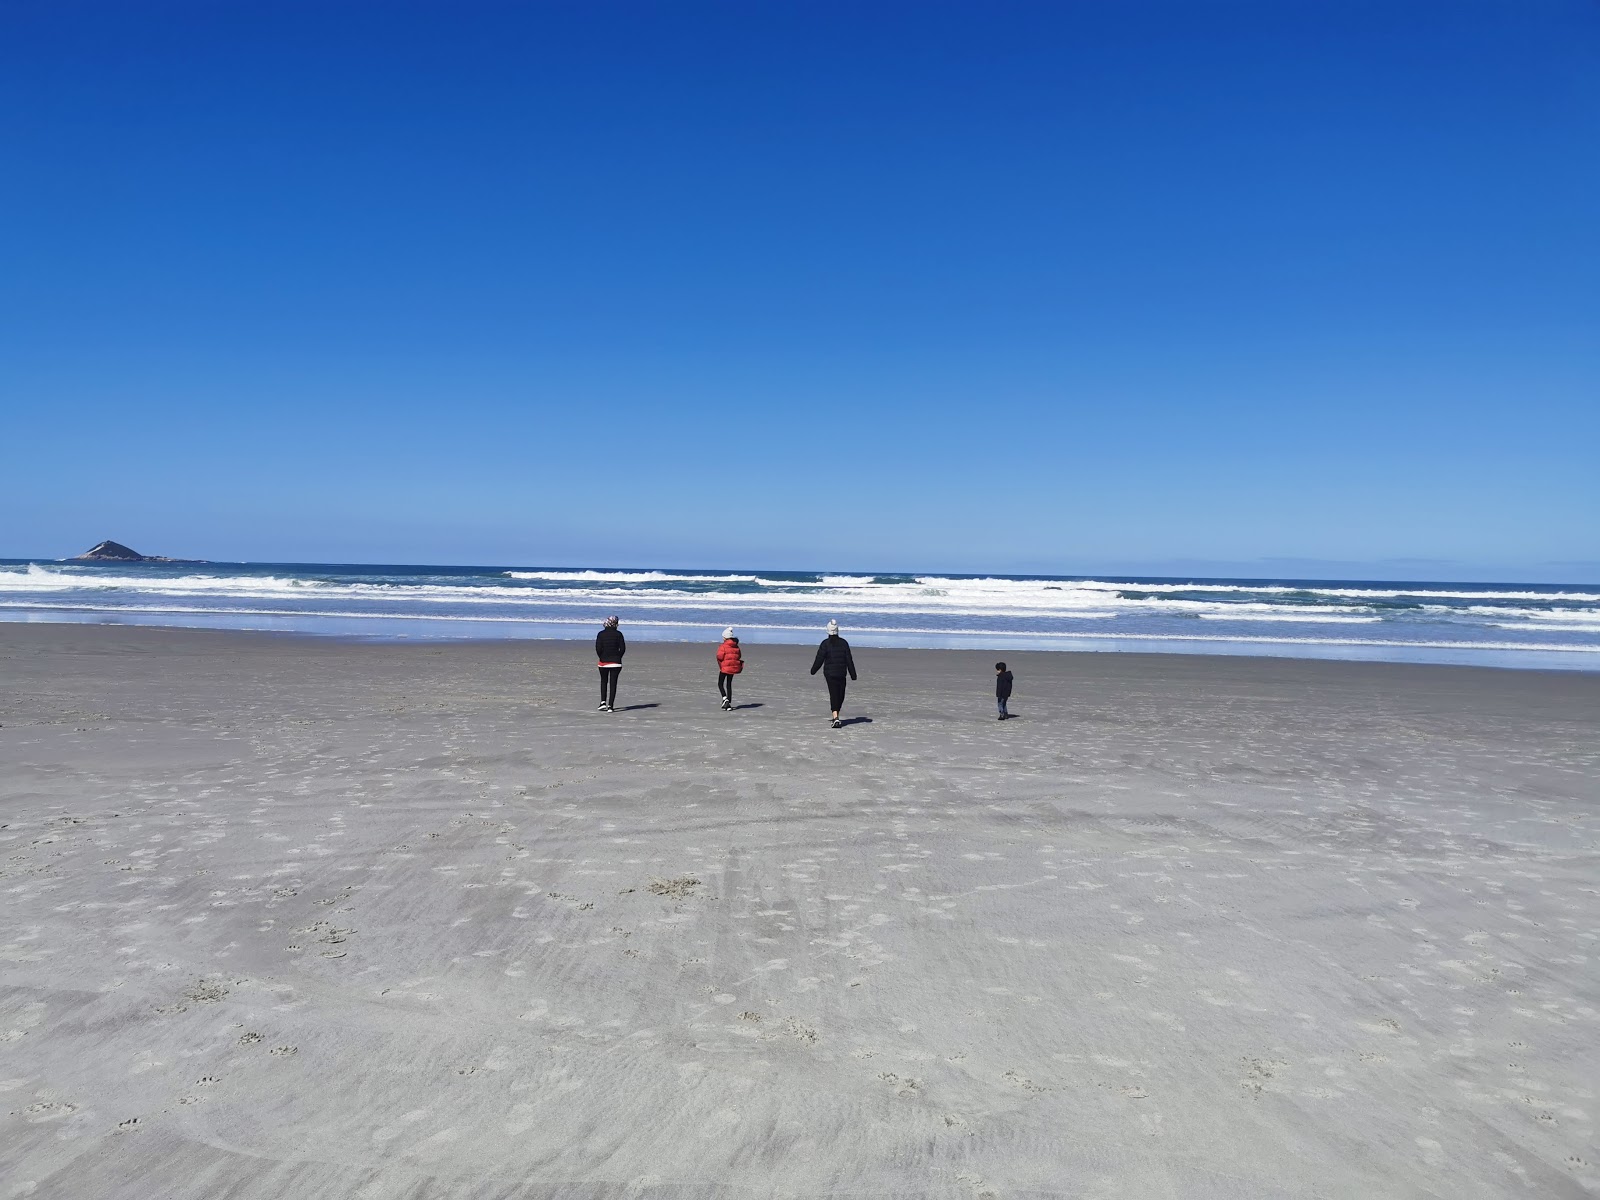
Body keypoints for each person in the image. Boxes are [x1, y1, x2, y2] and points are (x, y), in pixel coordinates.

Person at [809, 619, 857, 728]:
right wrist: (813, 670)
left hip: (837, 673)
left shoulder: (836, 643)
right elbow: (820, 659)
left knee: (840, 695)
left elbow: (849, 659)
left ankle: (836, 715)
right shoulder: (832, 644)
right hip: (833, 674)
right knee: (835, 694)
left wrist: (853, 674)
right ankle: (836, 717)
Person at [595, 615, 625, 712]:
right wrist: (618, 657)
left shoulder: (601, 634)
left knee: (604, 681)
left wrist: (602, 657)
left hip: (603, 662)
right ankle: (611, 706)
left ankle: (603, 702)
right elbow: (623, 649)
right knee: (613, 683)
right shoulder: (619, 634)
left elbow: (598, 649)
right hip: (616, 663)